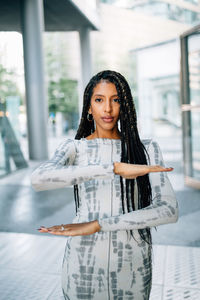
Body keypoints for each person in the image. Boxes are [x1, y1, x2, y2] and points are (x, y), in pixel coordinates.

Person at [31, 70, 179, 300]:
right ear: (89, 107)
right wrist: (112, 168)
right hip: (82, 263)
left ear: (125, 106)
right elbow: (39, 179)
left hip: (132, 264)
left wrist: (100, 224)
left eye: (116, 100)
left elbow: (169, 210)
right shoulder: (75, 148)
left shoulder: (146, 148)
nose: (108, 109)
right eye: (99, 100)